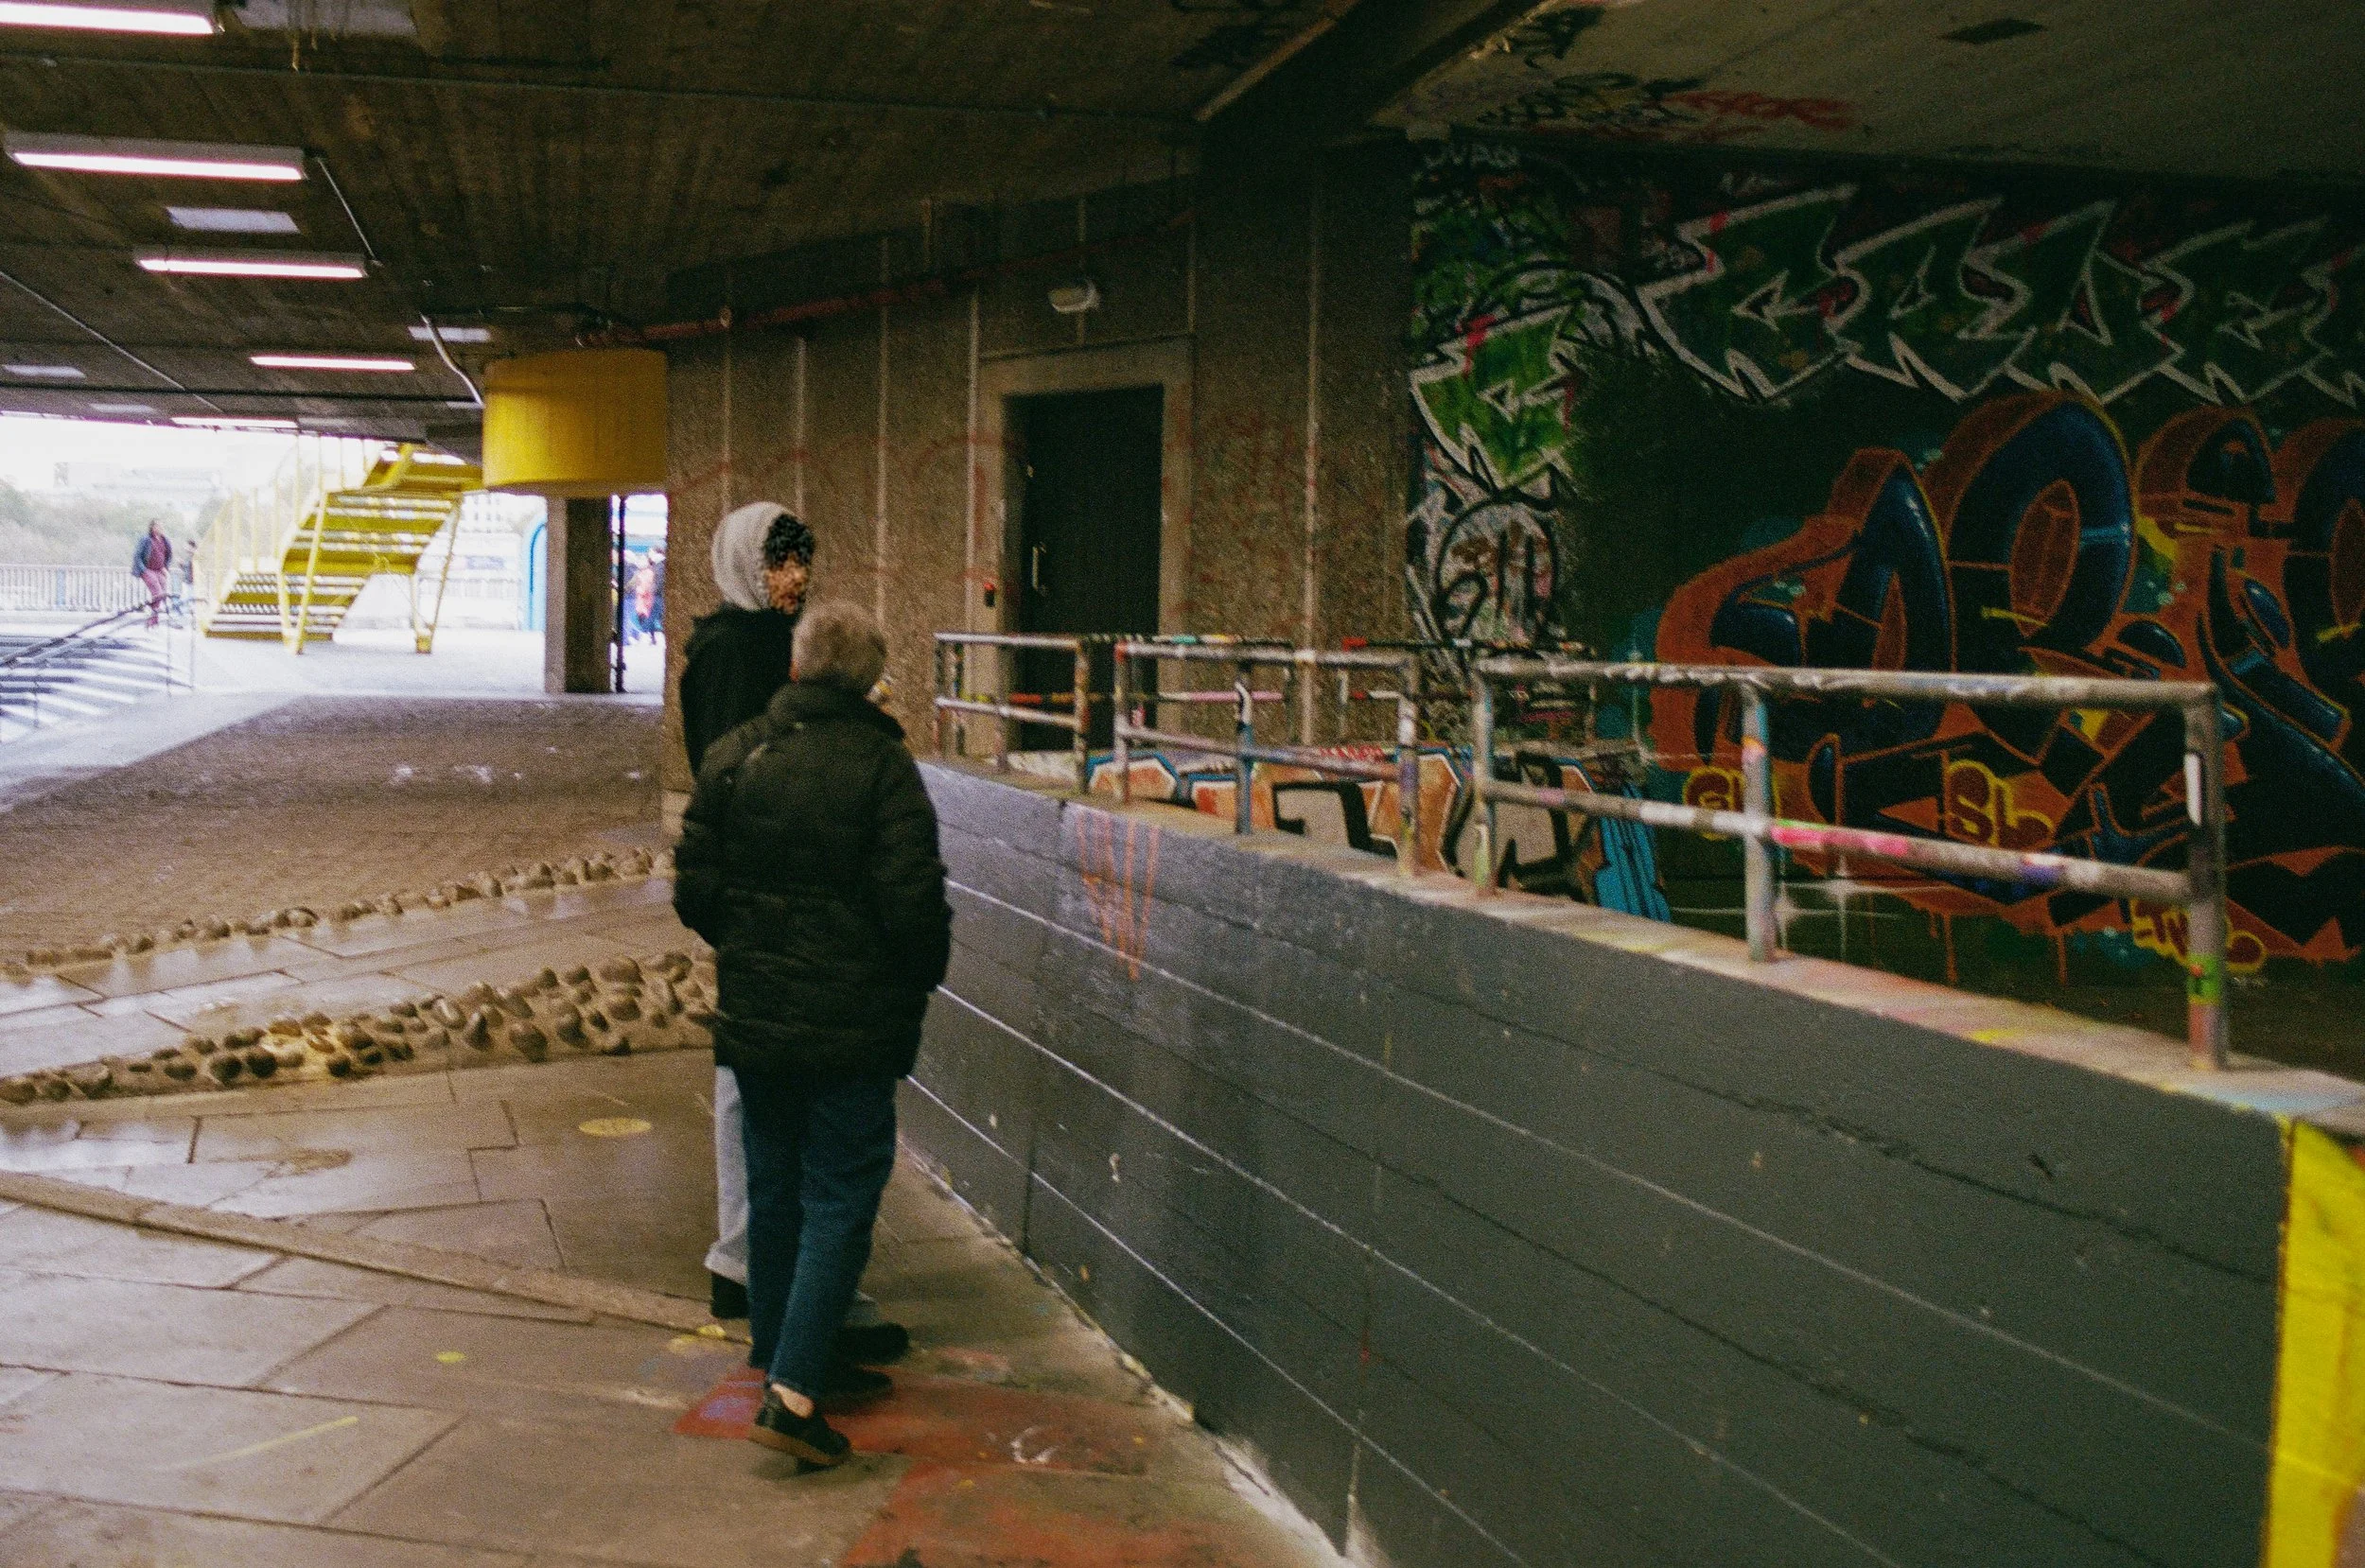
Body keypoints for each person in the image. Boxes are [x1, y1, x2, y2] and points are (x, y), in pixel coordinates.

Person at [673, 601, 952, 1468]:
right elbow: (913, 906)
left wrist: (754, 952)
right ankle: (794, 1397)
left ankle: (783, 1353)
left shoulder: (738, 754)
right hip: (851, 1027)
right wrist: (911, 977)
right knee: (840, 1194)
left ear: (795, 669)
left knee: (777, 1186)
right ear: (871, 682)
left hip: (758, 1018)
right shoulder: (883, 768)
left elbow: (694, 886)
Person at [678, 505, 908, 1362]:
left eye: (803, 561)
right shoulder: (744, 652)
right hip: (780, 904)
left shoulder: (727, 645)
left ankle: (752, 1272)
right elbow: (763, 776)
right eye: (780, 563)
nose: (796, 578)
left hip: (753, 904)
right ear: (747, 563)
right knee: (774, 1105)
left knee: (755, 1088)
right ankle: (784, 1288)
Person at [132, 522, 171, 628]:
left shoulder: (165, 540)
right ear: (152, 528)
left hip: (159, 570)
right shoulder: (146, 539)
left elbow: (168, 555)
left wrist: (165, 567)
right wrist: (143, 569)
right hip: (148, 569)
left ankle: (153, 619)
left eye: (162, 526)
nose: (160, 528)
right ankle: (151, 616)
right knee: (157, 592)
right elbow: (137, 555)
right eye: (158, 526)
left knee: (161, 594)